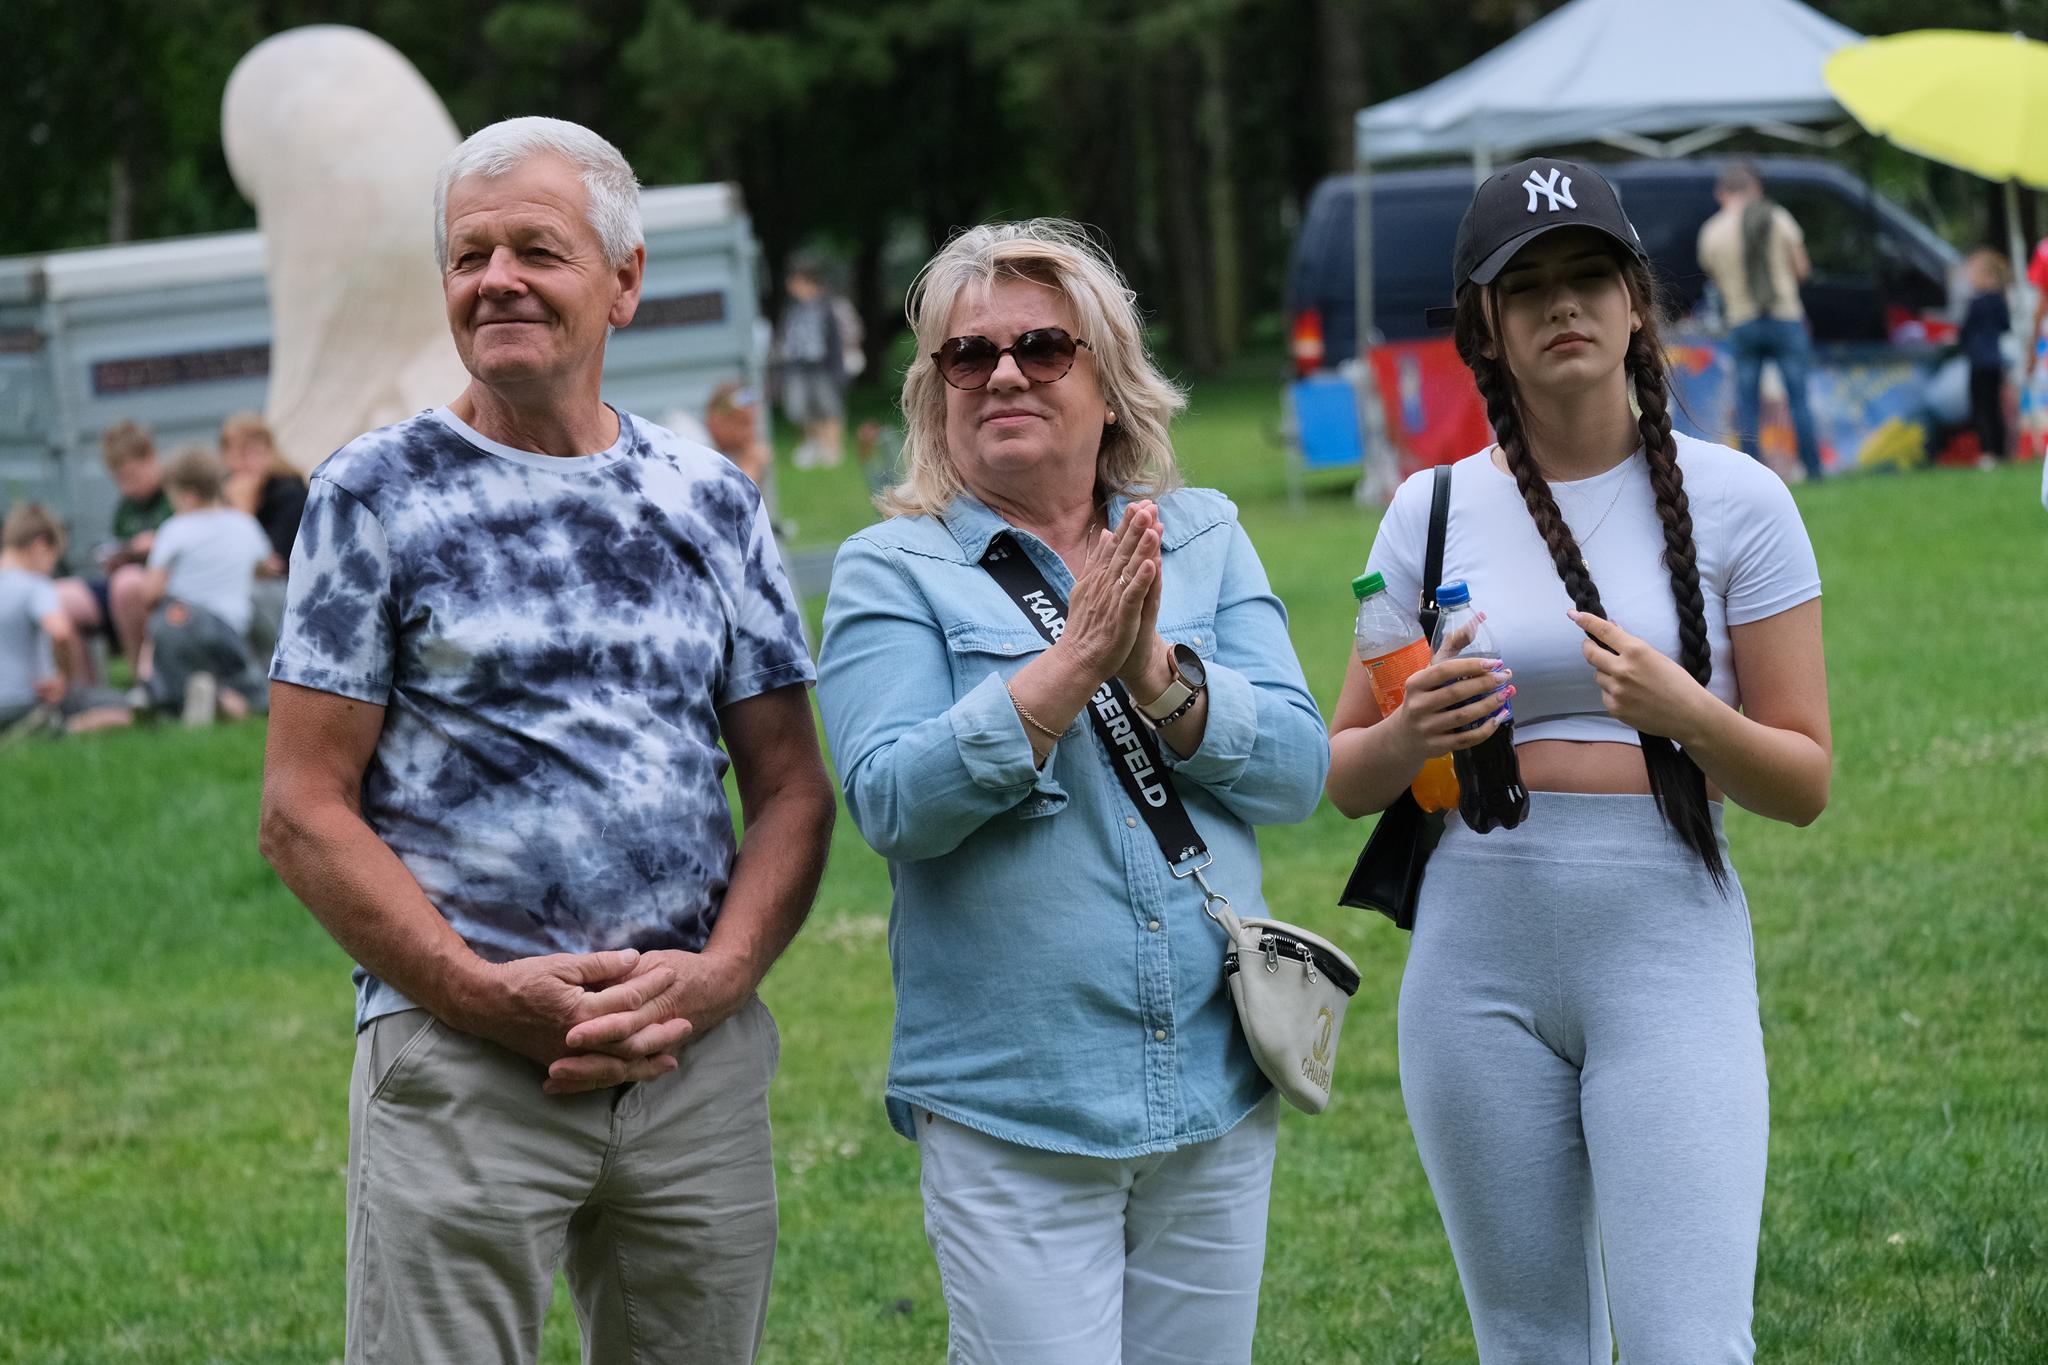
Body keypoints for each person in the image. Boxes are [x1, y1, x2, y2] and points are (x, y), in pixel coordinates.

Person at [259, 116, 834, 1365]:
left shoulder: (709, 497)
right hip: (460, 1059)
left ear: (623, 281)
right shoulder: (372, 495)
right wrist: (471, 993)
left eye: (535, 250)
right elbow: (302, 808)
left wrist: (722, 978)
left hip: (687, 1063)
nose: (497, 280)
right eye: (469, 257)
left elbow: (792, 786)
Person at [1327, 159, 1831, 1362]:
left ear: (1634, 303)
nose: (1563, 305)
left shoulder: (1739, 500)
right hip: (1473, 954)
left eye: (1589, 277)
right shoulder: (1426, 512)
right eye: (1527, 286)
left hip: (1664, 944)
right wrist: (1411, 731)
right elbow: (1343, 777)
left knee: (1685, 1341)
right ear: (1482, 329)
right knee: (1527, 1344)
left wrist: (1686, 712)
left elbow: (1802, 782)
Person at [816, 220, 1328, 1365]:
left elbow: (1298, 771)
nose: (1003, 373)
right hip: (1016, 1102)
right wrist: (1067, 670)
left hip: (1212, 1080)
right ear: (936, 393)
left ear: (1109, 382)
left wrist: (1157, 677)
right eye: (968, 355)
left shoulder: (1201, 536)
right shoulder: (890, 569)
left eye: (1042, 347)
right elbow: (890, 802)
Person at [1697, 160, 1826, 481]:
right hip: (1785, 317)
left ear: (1721, 193)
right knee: (1798, 400)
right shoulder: (1779, 218)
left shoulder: (1712, 231)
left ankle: (1751, 476)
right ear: (1755, 189)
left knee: (1747, 404)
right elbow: (1802, 269)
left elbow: (1714, 278)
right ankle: (1814, 471)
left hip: (1742, 321)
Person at [138, 449, 274, 723]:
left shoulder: (174, 529)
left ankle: (151, 691)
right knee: (239, 678)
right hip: (231, 628)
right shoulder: (244, 524)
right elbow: (267, 567)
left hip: (184, 624)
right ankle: (230, 699)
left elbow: (150, 593)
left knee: (161, 624)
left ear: (188, 495)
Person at [0, 504, 132, 741]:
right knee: (124, 706)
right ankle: (59, 729)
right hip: (26, 702)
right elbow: (60, 631)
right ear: (40, 546)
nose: (51, 568)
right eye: (53, 558)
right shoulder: (34, 585)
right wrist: (63, 678)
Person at [52, 420, 174, 671]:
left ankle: (145, 679)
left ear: (152, 458)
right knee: (58, 596)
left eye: (133, 476)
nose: (127, 486)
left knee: (127, 583)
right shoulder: (126, 508)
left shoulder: (176, 492)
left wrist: (159, 542)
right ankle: (83, 690)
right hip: (121, 589)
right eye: (119, 479)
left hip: (164, 587)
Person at [220, 410, 308, 658]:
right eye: (240, 453)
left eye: (255, 452)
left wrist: (244, 510)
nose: (248, 462)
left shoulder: (289, 491)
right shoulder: (223, 492)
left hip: (283, 593)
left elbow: (273, 566)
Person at [775, 262, 848, 468]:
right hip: (797, 367)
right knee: (801, 409)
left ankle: (832, 449)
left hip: (822, 366)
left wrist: (838, 368)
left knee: (829, 408)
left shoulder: (828, 306)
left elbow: (836, 340)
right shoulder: (793, 309)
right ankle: (815, 445)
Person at [1959, 250, 2012, 466]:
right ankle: (2000, 451)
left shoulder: (1977, 302)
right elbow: (2005, 325)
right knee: (1995, 408)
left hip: (1979, 362)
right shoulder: (2000, 300)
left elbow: (1964, 331)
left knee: (1981, 409)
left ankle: (1988, 451)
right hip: (1995, 361)